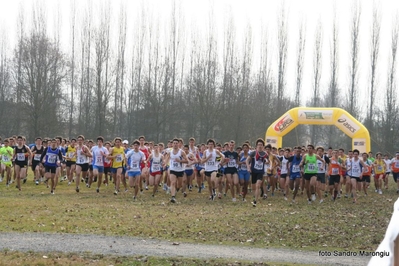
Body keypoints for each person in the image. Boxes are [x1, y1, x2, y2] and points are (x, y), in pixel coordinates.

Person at [164, 138, 189, 203]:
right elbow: (167, 159)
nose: (175, 144)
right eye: (174, 143)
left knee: (179, 185)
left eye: (176, 143)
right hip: (172, 169)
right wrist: (165, 164)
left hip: (180, 170)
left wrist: (180, 161)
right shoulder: (170, 152)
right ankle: (173, 197)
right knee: (173, 182)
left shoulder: (181, 152)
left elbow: (187, 161)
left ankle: (176, 190)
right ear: (172, 144)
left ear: (178, 144)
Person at [246, 138, 269, 207]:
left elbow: (268, 161)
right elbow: (247, 160)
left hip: (260, 172)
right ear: (256, 146)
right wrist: (248, 167)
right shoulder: (253, 153)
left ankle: (255, 201)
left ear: (263, 146)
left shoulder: (265, 154)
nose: (260, 146)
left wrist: (267, 162)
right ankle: (255, 196)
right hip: (253, 171)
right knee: (253, 187)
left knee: (258, 185)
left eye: (261, 145)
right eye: (258, 145)